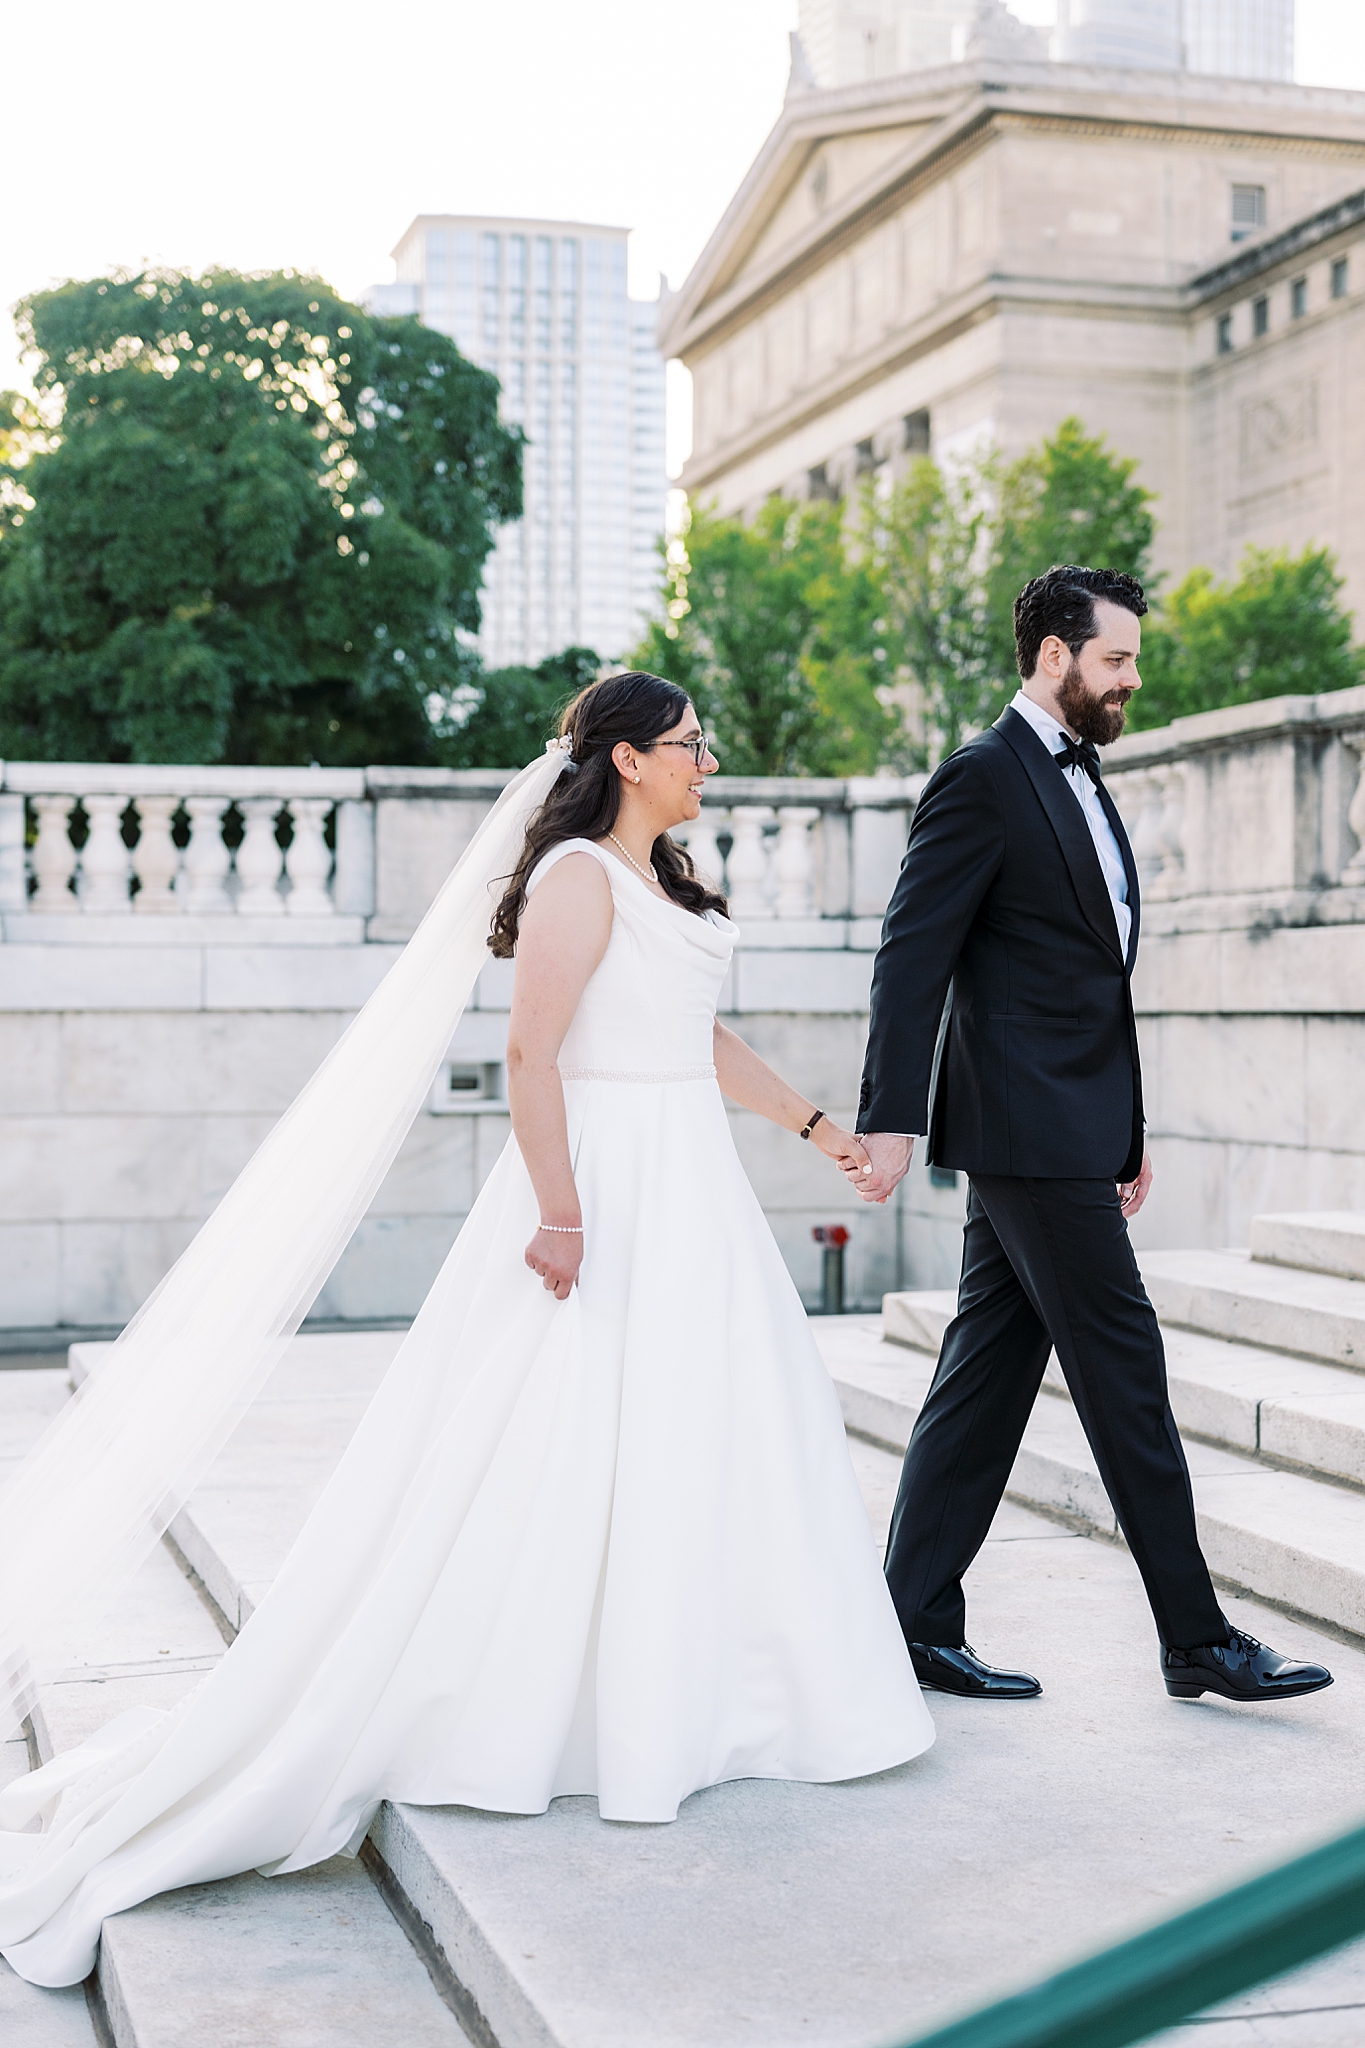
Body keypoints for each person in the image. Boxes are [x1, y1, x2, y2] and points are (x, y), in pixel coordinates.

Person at [0, 671, 933, 1990]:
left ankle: (702, 1696)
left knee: (703, 1435)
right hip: (599, 1186)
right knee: (553, 1439)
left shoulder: (666, 872)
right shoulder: (571, 880)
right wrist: (560, 1212)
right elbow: (530, 1053)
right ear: (620, 757)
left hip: (691, 1191)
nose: (705, 761)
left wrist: (821, 1130)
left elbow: (696, 1036)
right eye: (685, 745)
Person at [848, 566, 1332, 1708]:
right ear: (1055, 655)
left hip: (1074, 1124)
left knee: (982, 1376)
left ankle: (909, 1623)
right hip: (1026, 1132)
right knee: (1125, 1370)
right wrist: (887, 1117)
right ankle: (1197, 1636)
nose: (1132, 677)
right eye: (1116, 658)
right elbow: (912, 953)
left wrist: (1129, 1128)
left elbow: (1092, 981)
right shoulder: (982, 777)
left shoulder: (1083, 779)